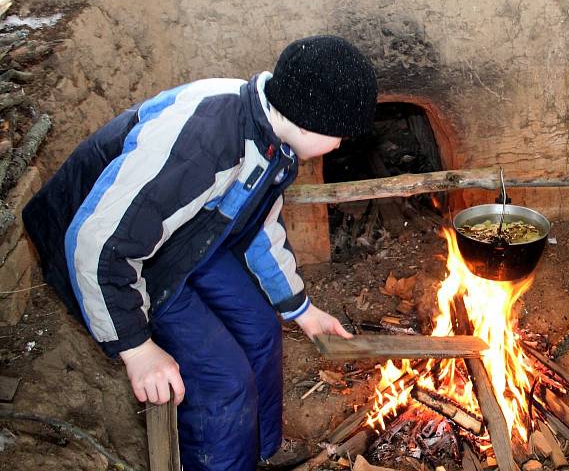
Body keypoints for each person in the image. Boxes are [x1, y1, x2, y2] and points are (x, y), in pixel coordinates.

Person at [22, 35, 378, 470]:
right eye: (338, 134)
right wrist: (137, 350)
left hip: (186, 232)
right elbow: (99, 244)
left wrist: (300, 309)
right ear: (307, 122)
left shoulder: (275, 140)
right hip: (121, 260)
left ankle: (259, 453)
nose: (340, 145)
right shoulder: (203, 141)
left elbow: (260, 225)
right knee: (222, 382)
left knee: (261, 328)